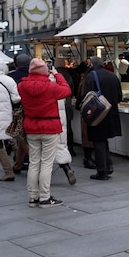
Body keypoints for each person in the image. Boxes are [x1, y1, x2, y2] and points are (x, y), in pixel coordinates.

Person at [18, 58, 72, 207]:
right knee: (47, 163)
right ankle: (45, 197)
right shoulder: (51, 87)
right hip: (50, 126)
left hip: (31, 126)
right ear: (45, 71)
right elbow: (67, 90)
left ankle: (33, 197)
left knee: (34, 162)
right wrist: (56, 74)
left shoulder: (21, 86)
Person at [80, 56, 122, 181]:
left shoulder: (91, 76)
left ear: (91, 65)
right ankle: (108, 166)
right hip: (111, 113)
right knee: (104, 141)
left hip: (97, 114)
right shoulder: (113, 76)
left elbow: (85, 97)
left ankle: (102, 171)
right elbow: (119, 96)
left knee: (98, 142)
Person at [8, 54, 31, 174]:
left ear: (16, 63)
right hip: (31, 110)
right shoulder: (33, 75)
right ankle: (18, 163)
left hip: (17, 111)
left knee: (20, 137)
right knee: (23, 137)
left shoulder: (10, 77)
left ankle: (28, 161)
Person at [54, 58, 77, 156]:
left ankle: (58, 150)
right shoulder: (69, 75)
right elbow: (71, 90)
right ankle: (70, 148)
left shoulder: (52, 75)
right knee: (68, 127)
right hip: (67, 104)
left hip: (55, 105)